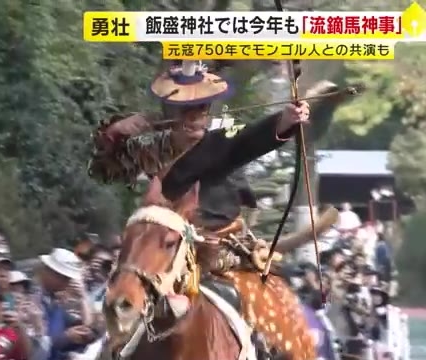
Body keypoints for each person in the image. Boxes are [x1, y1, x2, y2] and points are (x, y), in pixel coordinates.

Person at [89, 60, 312, 274]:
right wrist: (114, 133)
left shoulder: (221, 141)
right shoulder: (150, 146)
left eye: (201, 107)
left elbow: (250, 139)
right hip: (157, 242)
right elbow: (103, 169)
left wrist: (286, 120)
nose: (195, 116)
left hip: (214, 242)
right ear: (171, 111)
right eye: (185, 109)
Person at [36, 248, 96, 360]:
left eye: (68, 279)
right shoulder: (32, 301)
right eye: (63, 278)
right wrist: (65, 337)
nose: (67, 283)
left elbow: (86, 326)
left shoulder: (57, 304)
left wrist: (83, 298)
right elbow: (33, 348)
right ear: (48, 272)